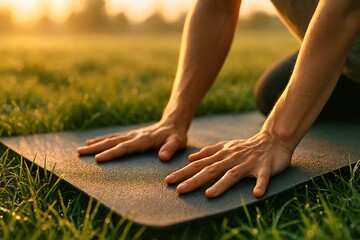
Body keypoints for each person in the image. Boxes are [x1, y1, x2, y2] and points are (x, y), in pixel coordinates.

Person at [77, 0, 360, 199]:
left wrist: (277, 136)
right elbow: (217, 6)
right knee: (272, 91)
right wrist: (175, 117)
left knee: (290, 111)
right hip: (352, 62)